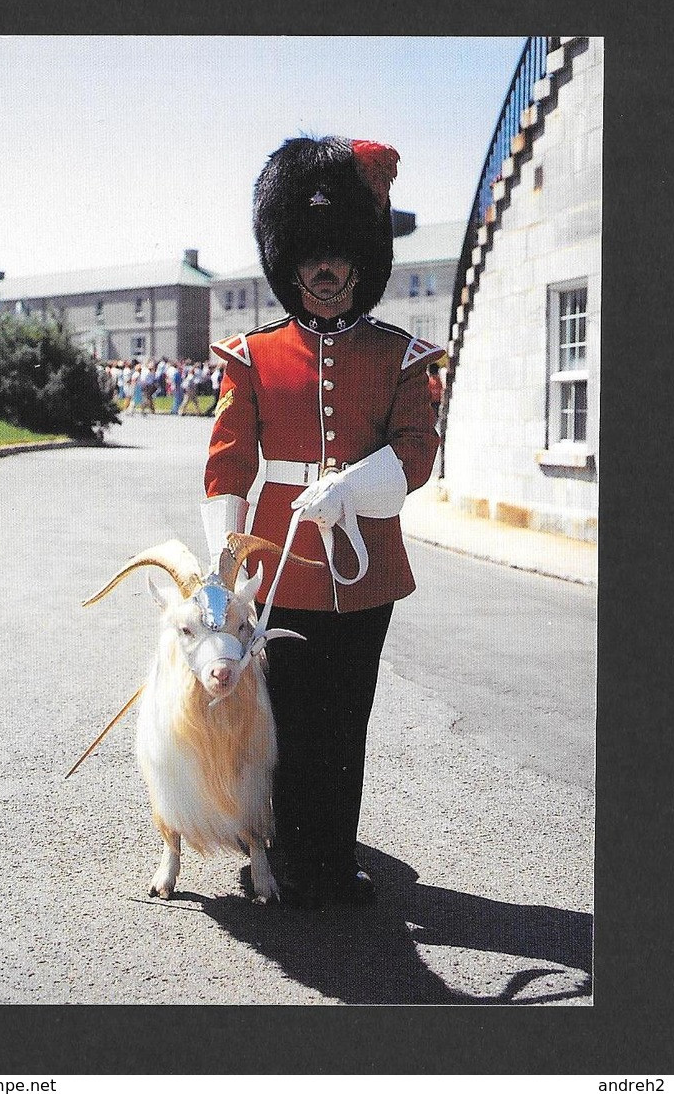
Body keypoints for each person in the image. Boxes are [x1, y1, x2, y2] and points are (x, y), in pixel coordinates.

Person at [202, 135, 444, 908]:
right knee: (284, 724)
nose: (326, 271)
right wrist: (222, 569)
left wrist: (357, 486)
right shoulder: (253, 355)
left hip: (364, 559)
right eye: (310, 256)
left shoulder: (400, 355)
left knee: (346, 724)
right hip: (279, 566)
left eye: (340, 255)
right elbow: (230, 463)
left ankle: (331, 859)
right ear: (289, 263)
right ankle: (280, 849)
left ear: (361, 262)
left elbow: (415, 451)